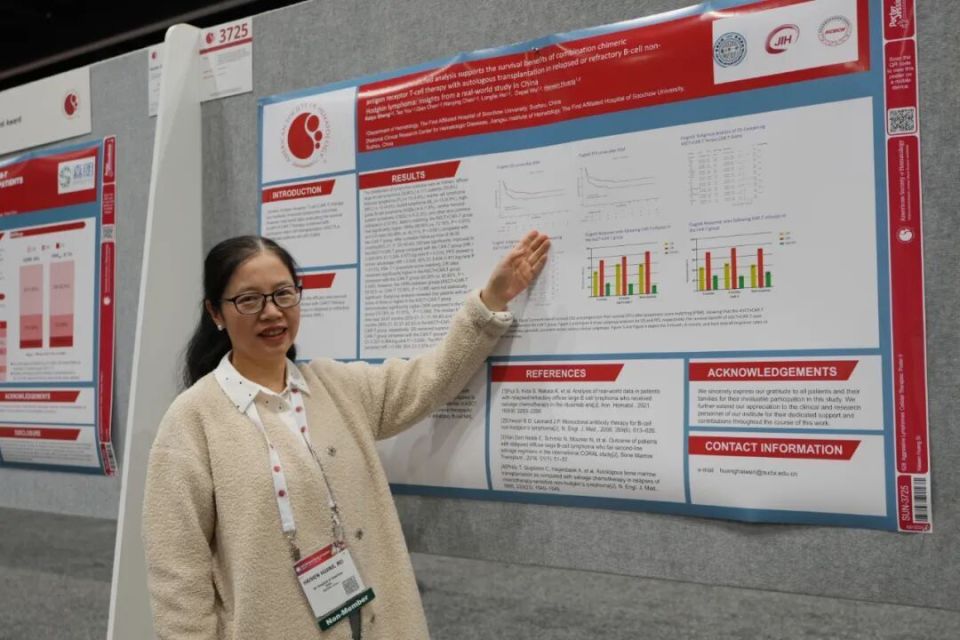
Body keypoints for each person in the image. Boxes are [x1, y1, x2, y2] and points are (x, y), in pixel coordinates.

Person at [142, 231, 550, 640]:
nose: (272, 312)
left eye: (284, 294)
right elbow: (177, 572)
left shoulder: (337, 387)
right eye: (249, 300)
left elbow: (430, 379)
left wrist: (490, 302)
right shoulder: (192, 420)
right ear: (216, 312)